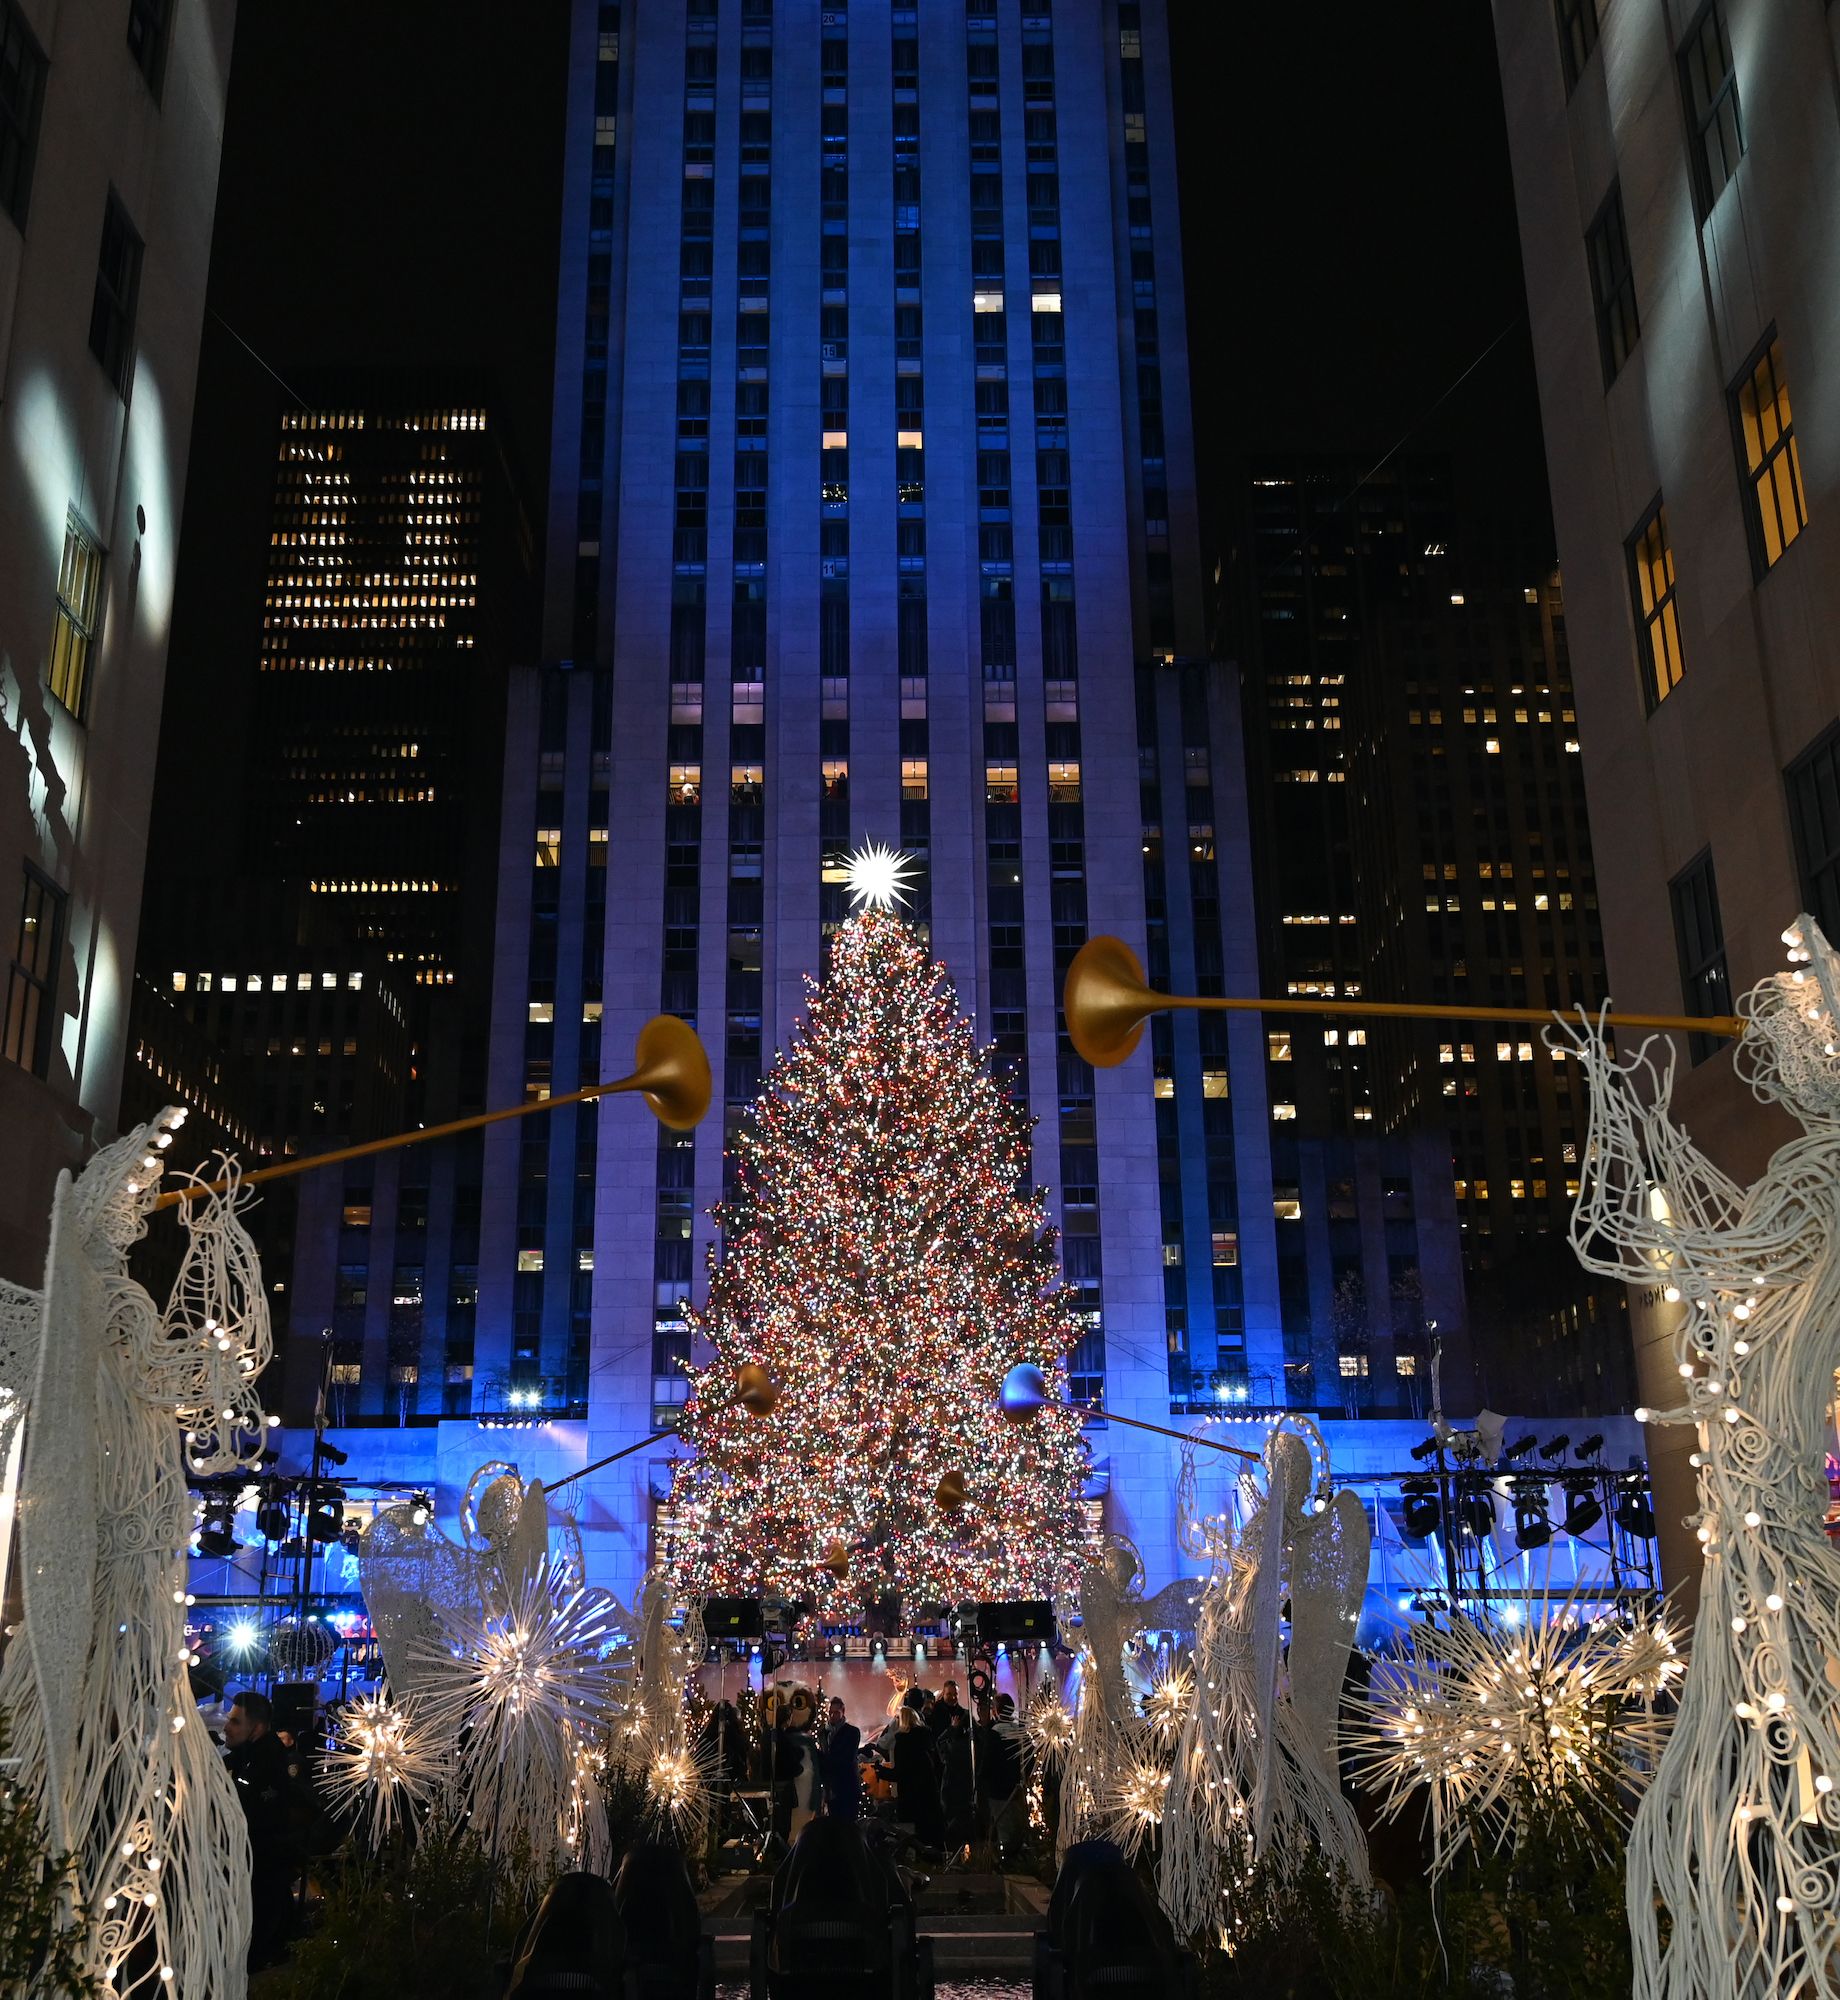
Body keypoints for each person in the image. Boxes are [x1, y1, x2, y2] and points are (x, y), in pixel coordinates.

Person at [224, 1691, 296, 1970]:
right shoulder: (246, 1755)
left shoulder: (268, 1762)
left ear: (257, 1728)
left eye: (235, 1722)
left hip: (260, 1869)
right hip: (250, 1865)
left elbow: (254, 1814)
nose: (227, 1728)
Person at [977, 1694, 1026, 1865]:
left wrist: (981, 1779)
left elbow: (988, 1761)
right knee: (1016, 1825)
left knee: (1002, 1825)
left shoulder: (994, 1734)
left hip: (997, 1788)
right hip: (1017, 1787)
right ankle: (1016, 1858)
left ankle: (1007, 1863)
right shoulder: (1020, 1731)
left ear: (996, 1711)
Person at [891, 1703, 944, 1852]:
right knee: (928, 1827)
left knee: (911, 1832)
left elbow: (901, 1772)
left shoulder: (902, 1742)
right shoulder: (925, 1740)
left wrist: (882, 1772)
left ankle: (915, 1855)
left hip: (910, 1792)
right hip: (928, 1791)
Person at [938, 1704, 975, 1863]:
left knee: (953, 1829)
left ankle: (953, 1860)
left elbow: (939, 1745)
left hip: (952, 1789)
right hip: (967, 1790)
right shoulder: (971, 1744)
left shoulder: (952, 1744)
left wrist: (951, 1729)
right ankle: (967, 1859)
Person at [820, 1696, 861, 1822]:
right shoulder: (823, 1733)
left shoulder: (852, 1732)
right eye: (830, 1712)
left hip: (847, 1784)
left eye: (836, 1713)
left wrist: (825, 1760)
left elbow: (846, 1758)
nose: (832, 1716)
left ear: (843, 1712)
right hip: (831, 1786)